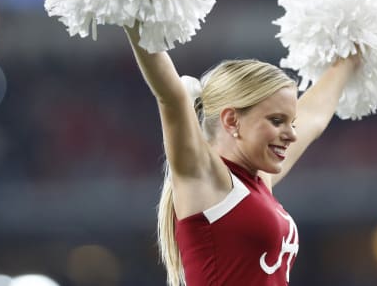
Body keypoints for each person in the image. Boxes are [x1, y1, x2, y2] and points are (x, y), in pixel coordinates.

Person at [124, 24, 360, 286]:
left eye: (291, 122)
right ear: (232, 121)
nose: (291, 134)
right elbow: (171, 96)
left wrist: (351, 57)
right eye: (277, 120)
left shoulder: (258, 181)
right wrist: (134, 17)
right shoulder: (206, 179)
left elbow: (314, 117)